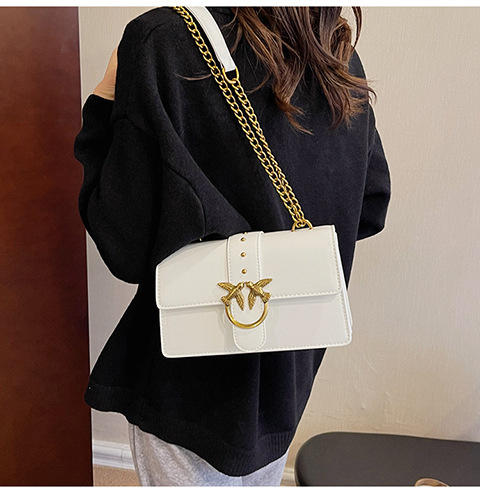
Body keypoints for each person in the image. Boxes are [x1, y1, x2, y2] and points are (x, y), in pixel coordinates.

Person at [74, 6, 391, 487]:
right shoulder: (335, 53)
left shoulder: (161, 40)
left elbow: (124, 245)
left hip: (186, 384)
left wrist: (103, 100)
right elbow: (370, 205)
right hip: (287, 377)